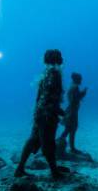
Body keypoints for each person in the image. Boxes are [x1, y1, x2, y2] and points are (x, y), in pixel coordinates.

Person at [15, 49, 70, 179]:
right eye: (60, 56)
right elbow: (49, 97)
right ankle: (54, 172)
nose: (62, 58)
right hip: (47, 114)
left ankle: (20, 168)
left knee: (33, 139)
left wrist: (38, 111)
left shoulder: (45, 73)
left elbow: (40, 96)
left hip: (40, 112)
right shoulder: (55, 73)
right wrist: (57, 110)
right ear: (57, 59)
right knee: (48, 142)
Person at [57, 73, 87, 154]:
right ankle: (70, 148)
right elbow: (74, 100)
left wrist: (80, 94)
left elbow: (73, 99)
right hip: (72, 112)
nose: (81, 80)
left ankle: (60, 144)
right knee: (72, 129)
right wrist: (83, 94)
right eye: (80, 79)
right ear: (76, 79)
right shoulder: (75, 87)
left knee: (68, 129)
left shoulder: (72, 86)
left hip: (71, 110)